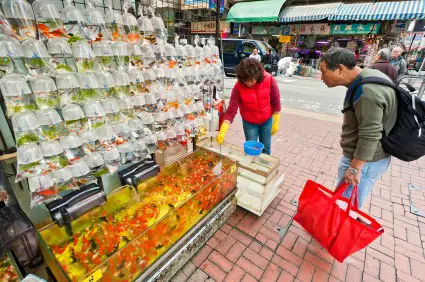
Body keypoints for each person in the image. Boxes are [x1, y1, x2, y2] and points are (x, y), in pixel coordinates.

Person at [319, 48, 397, 208]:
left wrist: (354, 169)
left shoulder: (367, 92)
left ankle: (338, 232)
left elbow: (370, 134)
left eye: (323, 71)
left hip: (365, 161)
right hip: (365, 158)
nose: (322, 78)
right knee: (345, 202)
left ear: (340, 69)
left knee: (345, 205)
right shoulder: (367, 78)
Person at [216, 58, 281, 155]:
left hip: (266, 120)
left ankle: (264, 169)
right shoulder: (238, 87)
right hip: (249, 122)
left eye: (252, 80)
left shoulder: (268, 79)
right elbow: (231, 111)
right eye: (246, 81)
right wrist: (223, 129)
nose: (249, 83)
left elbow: (275, 100)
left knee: (266, 148)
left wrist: (276, 120)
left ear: (257, 75)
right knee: (251, 150)